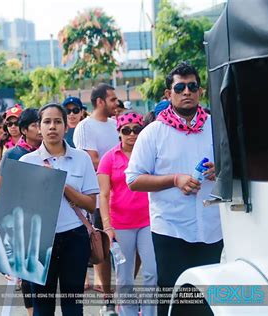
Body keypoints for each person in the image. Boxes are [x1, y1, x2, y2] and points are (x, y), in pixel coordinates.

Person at [125, 62, 222, 316]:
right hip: (171, 229)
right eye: (180, 87)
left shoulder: (216, 126)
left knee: (207, 300)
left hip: (212, 227)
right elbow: (133, 179)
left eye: (192, 86)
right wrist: (175, 179)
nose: (187, 91)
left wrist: (220, 170)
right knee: (174, 299)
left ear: (200, 91)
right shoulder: (153, 133)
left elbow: (235, 166)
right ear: (169, 94)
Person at [17, 103, 99, 315]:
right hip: (39, 242)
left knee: (73, 306)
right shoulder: (27, 161)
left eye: (57, 121)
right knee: (42, 307)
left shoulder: (82, 159)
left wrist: (59, 183)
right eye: (46, 122)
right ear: (38, 127)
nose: (52, 126)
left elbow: (91, 204)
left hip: (75, 238)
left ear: (66, 127)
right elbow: (20, 212)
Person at [98, 111, 157, 316]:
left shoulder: (149, 153)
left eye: (136, 129)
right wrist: (107, 226)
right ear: (119, 133)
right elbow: (103, 195)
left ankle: (150, 313)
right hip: (120, 225)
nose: (132, 134)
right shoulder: (108, 158)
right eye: (126, 130)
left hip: (148, 221)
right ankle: (128, 313)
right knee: (124, 277)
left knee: (152, 272)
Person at [0, 108, 42, 316]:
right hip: (21, 219)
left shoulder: (50, 151)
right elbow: (1, 189)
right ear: (24, 129)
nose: (41, 129)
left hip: (47, 218)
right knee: (27, 272)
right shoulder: (12, 154)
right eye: (36, 125)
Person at [73, 83, 119, 299]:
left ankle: (115, 290)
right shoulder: (85, 126)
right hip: (100, 196)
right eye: (112, 99)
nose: (116, 103)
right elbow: (91, 160)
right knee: (102, 245)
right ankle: (106, 294)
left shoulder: (116, 124)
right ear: (99, 101)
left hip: (122, 194)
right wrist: (119, 166)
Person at [0, 106, 23, 189]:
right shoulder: (2, 144)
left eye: (17, 123)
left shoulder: (30, 142)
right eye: (9, 124)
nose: (13, 126)